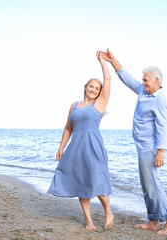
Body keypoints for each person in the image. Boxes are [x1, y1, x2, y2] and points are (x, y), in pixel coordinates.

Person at [101, 49, 167, 236]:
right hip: (142, 147)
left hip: (151, 149)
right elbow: (127, 78)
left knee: (153, 185)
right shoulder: (144, 92)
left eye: (146, 80)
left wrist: (161, 151)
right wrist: (113, 61)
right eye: (143, 80)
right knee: (147, 186)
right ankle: (153, 221)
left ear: (156, 81)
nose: (142, 83)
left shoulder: (160, 99)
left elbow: (164, 126)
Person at [47, 50, 114, 231]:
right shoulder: (74, 105)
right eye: (91, 86)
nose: (93, 89)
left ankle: (108, 211)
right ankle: (89, 221)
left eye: (96, 88)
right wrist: (61, 148)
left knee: (97, 180)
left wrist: (102, 62)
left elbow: (107, 80)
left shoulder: (99, 104)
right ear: (85, 87)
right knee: (82, 182)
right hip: (76, 148)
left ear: (99, 92)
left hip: (93, 147)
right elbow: (68, 128)